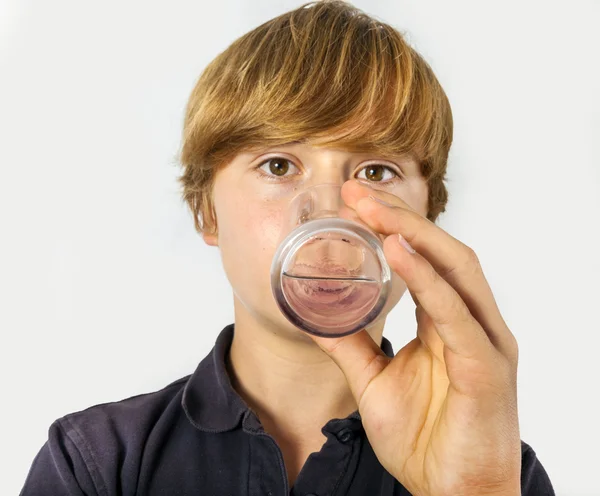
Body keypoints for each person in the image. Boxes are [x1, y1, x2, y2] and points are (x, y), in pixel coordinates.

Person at [20, 1, 555, 495]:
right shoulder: (98, 463)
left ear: (427, 217)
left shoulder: (502, 472)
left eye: (376, 171)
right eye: (278, 166)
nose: (328, 216)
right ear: (207, 211)